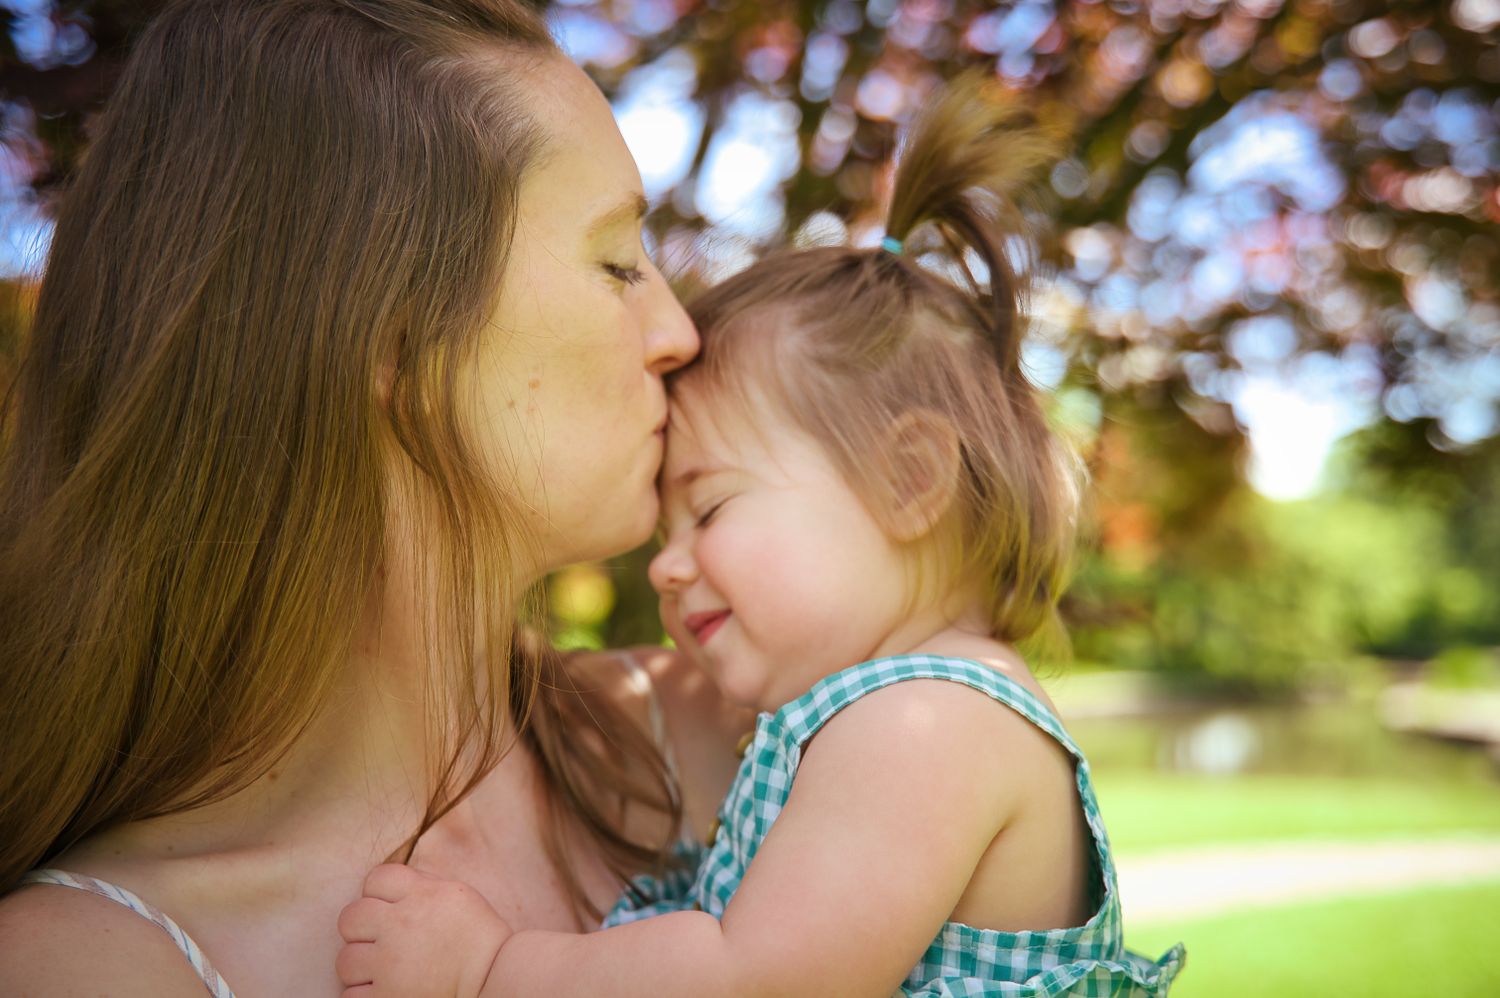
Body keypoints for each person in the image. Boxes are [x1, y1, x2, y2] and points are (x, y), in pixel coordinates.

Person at [335, 74, 1187, 997]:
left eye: (711, 508)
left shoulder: (924, 724)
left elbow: (754, 981)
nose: (665, 563)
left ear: (910, 484)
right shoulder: (881, 713)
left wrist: (490, 971)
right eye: (666, 526)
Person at [0, 1, 750, 994]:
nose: (678, 334)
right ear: (391, 340)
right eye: (617, 264)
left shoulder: (739, 731)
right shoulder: (89, 964)